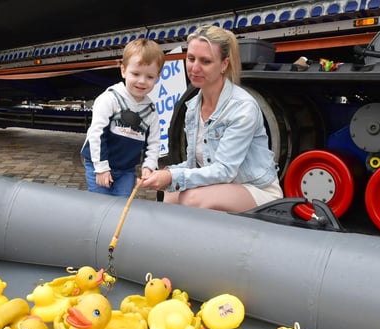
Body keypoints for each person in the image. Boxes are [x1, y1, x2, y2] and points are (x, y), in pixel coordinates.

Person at [140, 25, 283, 212]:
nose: (195, 68)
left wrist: (172, 178)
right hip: (222, 184)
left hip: (255, 187)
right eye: (191, 59)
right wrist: (165, 173)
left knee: (190, 198)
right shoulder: (192, 108)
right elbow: (194, 164)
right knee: (172, 193)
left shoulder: (242, 108)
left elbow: (224, 170)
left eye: (205, 61)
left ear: (224, 64)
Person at [81, 38, 165, 197]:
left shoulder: (151, 111)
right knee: (100, 206)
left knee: (122, 207)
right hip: (98, 165)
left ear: (157, 77)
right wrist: (101, 168)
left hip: (126, 170)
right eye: (136, 74)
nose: (142, 81)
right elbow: (96, 134)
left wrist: (149, 166)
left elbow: (154, 143)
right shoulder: (110, 99)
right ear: (123, 70)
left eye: (149, 77)